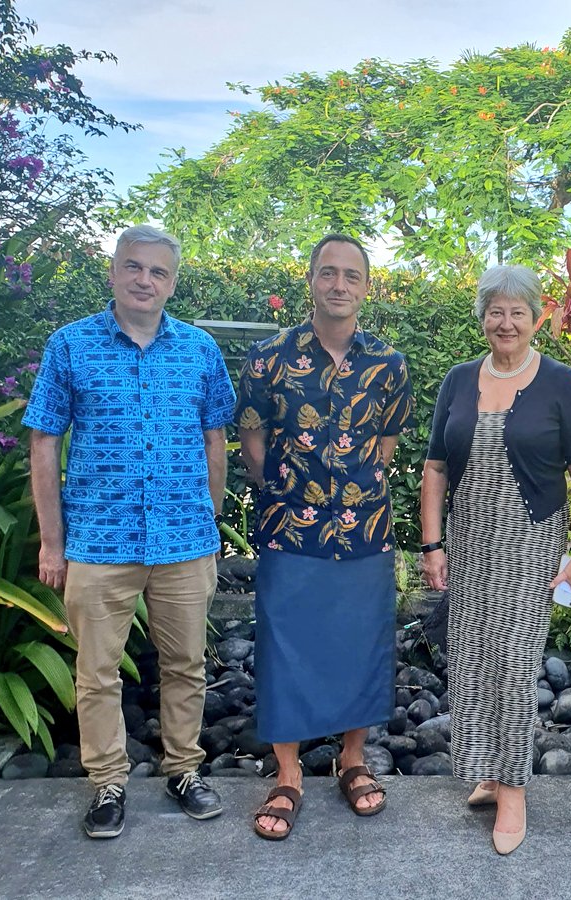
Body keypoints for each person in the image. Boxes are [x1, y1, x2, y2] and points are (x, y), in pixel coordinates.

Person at [23, 224, 236, 838]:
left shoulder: (199, 350)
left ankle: (184, 771)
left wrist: (208, 518)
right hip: (98, 541)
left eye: (158, 272)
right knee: (96, 672)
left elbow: (214, 438)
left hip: (182, 541)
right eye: (134, 267)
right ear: (113, 272)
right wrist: (52, 541)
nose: (145, 280)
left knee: (187, 664)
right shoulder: (70, 345)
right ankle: (108, 783)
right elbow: (44, 442)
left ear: (172, 282)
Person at [236, 233, 413, 840]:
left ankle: (353, 760)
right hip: (289, 530)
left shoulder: (389, 364)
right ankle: (287, 775)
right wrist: (290, 490)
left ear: (367, 287)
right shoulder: (268, 358)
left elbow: (385, 446)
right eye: (328, 273)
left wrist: (349, 492)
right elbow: (253, 444)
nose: (339, 285)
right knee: (287, 647)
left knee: (361, 643)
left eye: (352, 276)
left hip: (364, 529)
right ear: (310, 278)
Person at [420, 264, 571, 855]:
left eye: (517, 312)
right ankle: (488, 775)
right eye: (496, 311)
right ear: (483, 317)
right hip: (469, 541)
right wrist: (432, 544)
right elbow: (435, 469)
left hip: (529, 542)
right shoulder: (457, 379)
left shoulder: (560, 382)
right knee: (471, 658)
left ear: (535, 317)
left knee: (517, 665)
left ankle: (515, 790)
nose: (505, 322)